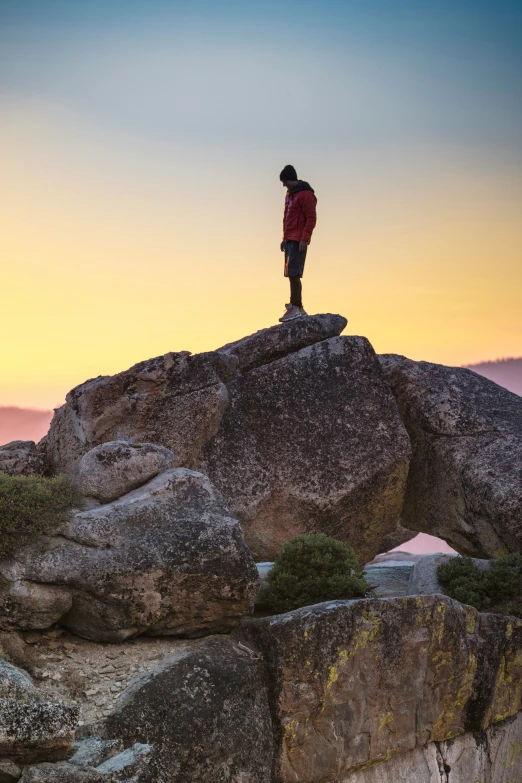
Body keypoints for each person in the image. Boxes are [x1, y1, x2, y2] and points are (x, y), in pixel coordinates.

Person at [278, 164, 317, 322]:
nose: (283, 184)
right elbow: (287, 218)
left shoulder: (305, 195)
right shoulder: (290, 194)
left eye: (285, 181)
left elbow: (311, 218)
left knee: (294, 273)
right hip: (290, 238)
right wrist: (284, 238)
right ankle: (296, 307)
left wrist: (304, 239)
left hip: (298, 239)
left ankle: (297, 307)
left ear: (292, 179)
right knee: (290, 273)